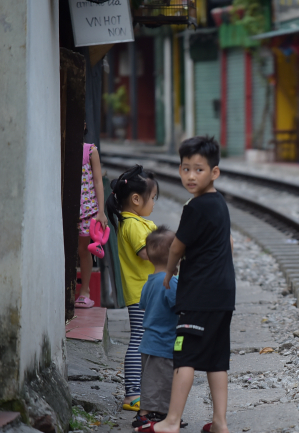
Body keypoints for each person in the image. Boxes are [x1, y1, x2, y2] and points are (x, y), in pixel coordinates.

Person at [136, 136, 235, 433]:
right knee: (217, 360)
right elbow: (228, 244)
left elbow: (177, 247)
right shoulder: (220, 204)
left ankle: (171, 421)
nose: (190, 176)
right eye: (185, 169)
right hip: (223, 294)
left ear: (214, 173)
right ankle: (219, 422)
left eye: (198, 170)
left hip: (199, 296)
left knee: (185, 356)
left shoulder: (195, 207)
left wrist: (168, 273)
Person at [106, 165, 159, 411]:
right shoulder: (133, 225)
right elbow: (146, 252)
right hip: (141, 294)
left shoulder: (134, 221)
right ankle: (132, 394)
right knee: (139, 338)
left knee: (144, 337)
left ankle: (140, 391)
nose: (154, 203)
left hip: (145, 292)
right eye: (153, 197)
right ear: (136, 199)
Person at [132, 227, 178, 427]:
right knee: (163, 380)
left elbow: (143, 305)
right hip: (164, 342)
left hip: (148, 340)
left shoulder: (149, 282)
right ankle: (149, 415)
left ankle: (150, 413)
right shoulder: (171, 282)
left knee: (150, 379)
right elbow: (180, 306)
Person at [75, 124, 108, 309]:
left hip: (88, 210)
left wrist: (101, 212)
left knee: (84, 250)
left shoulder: (90, 150)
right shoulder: (61, 148)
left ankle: (84, 291)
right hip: (69, 209)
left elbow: (98, 181)